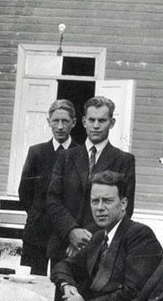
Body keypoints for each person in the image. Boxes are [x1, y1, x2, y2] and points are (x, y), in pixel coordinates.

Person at [49, 171, 162, 301]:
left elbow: (133, 294)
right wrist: (67, 286)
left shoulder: (140, 237)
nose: (99, 208)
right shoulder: (99, 237)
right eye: (95, 201)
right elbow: (63, 265)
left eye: (107, 201)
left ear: (124, 203)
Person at [46, 96, 136, 265]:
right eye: (91, 120)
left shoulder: (123, 160)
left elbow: (125, 207)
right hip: (64, 246)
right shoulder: (66, 156)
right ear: (83, 121)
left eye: (102, 120)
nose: (96, 126)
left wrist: (86, 240)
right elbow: (53, 199)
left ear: (112, 122)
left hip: (101, 250)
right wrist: (71, 231)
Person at [18, 99, 81, 276]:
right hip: (37, 231)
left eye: (65, 121)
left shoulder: (81, 154)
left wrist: (69, 227)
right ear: (48, 122)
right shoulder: (36, 152)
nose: (60, 126)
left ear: (74, 123)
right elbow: (24, 191)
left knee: (62, 283)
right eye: (55, 121)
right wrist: (36, 214)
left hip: (65, 235)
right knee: (30, 283)